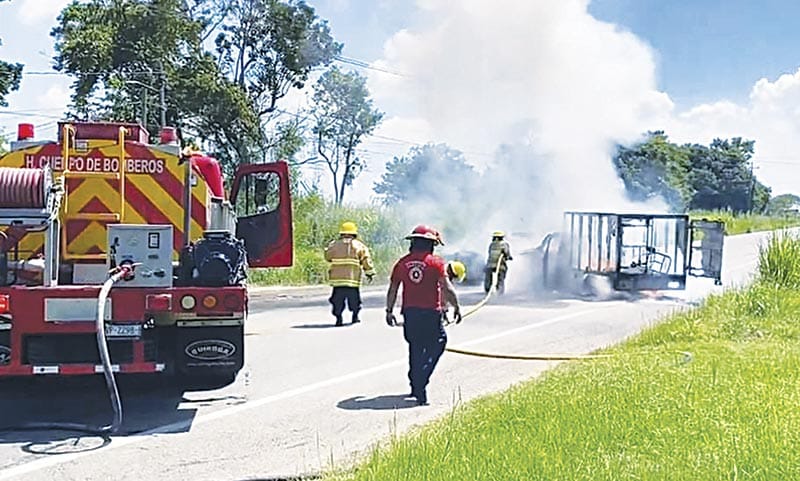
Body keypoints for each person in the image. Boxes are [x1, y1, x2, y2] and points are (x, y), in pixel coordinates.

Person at [386, 225, 462, 406]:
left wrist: (389, 311)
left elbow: (393, 289)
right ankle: (422, 379)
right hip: (430, 313)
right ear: (431, 245)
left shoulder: (402, 263)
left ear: (413, 242)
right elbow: (446, 287)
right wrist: (457, 306)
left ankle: (415, 386)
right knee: (439, 342)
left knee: (415, 347)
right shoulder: (436, 263)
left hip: (410, 313)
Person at [324, 221, 376, 326]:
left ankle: (339, 319)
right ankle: (355, 317)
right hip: (352, 281)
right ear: (354, 234)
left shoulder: (333, 245)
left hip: (338, 282)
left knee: (337, 301)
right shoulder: (359, 246)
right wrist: (369, 273)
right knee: (354, 301)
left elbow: (328, 257)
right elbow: (366, 260)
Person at [484, 230, 513, 294]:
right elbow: (507, 255)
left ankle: (487, 290)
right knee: (500, 279)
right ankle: (500, 291)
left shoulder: (491, 245)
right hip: (500, 266)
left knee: (488, 279)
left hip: (490, 265)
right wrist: (509, 257)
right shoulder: (504, 244)